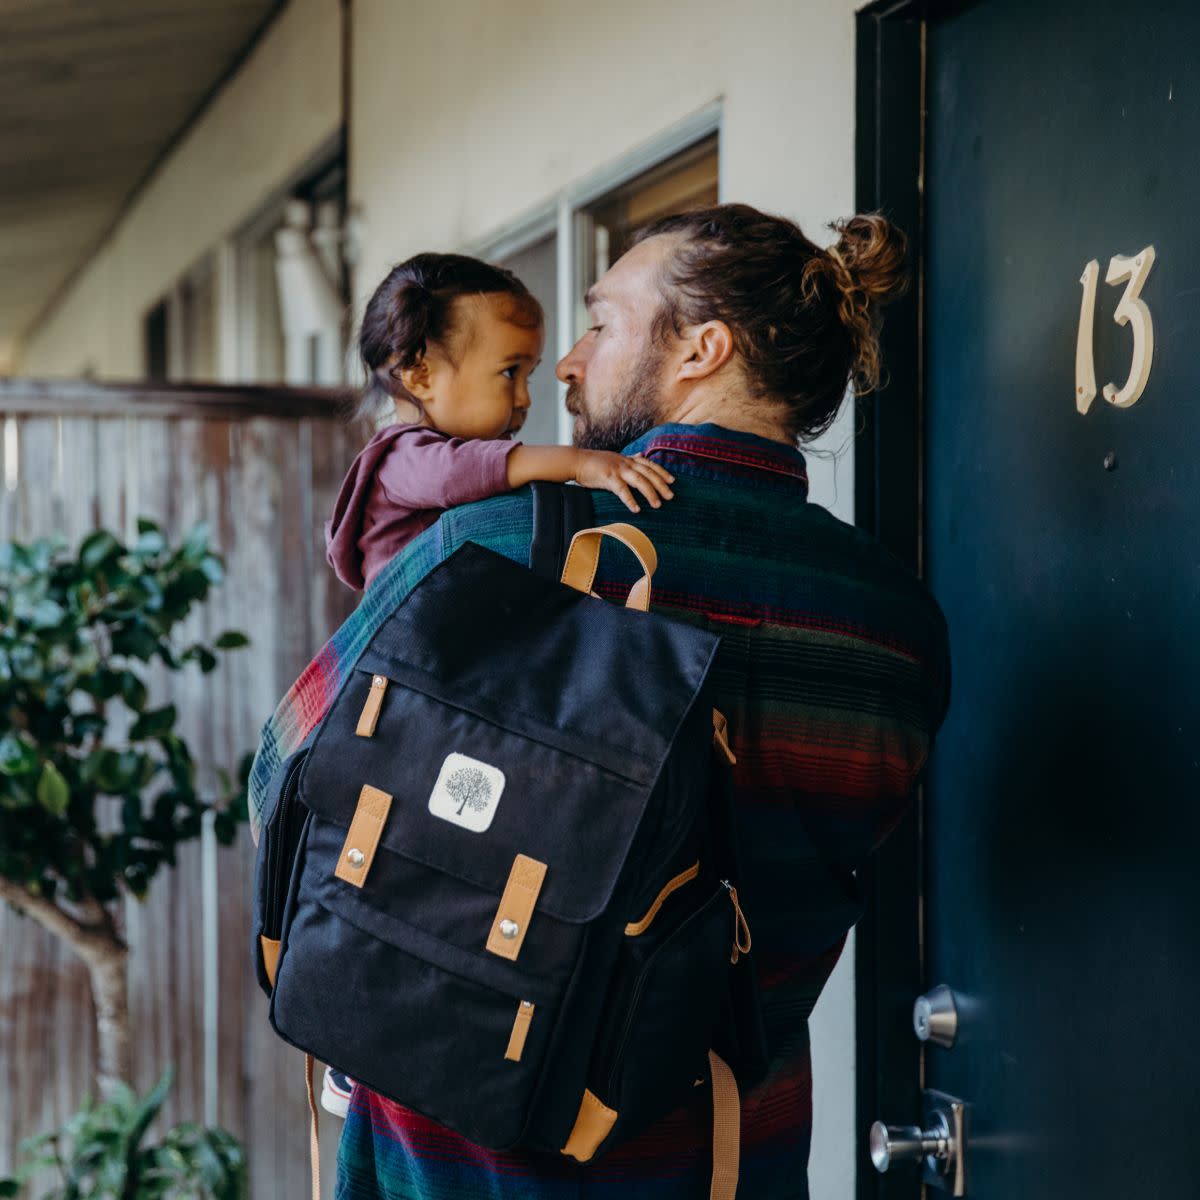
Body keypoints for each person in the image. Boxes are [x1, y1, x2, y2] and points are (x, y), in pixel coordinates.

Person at [248, 202, 951, 1198]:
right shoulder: (893, 623)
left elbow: (288, 771)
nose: (570, 365)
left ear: (703, 349)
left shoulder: (495, 551)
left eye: (602, 323)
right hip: (724, 1158)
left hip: (459, 1161)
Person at [324, 252, 676, 593]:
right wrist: (580, 463)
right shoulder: (400, 456)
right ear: (421, 376)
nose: (525, 398)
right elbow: (458, 472)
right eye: (510, 373)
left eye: (529, 375)